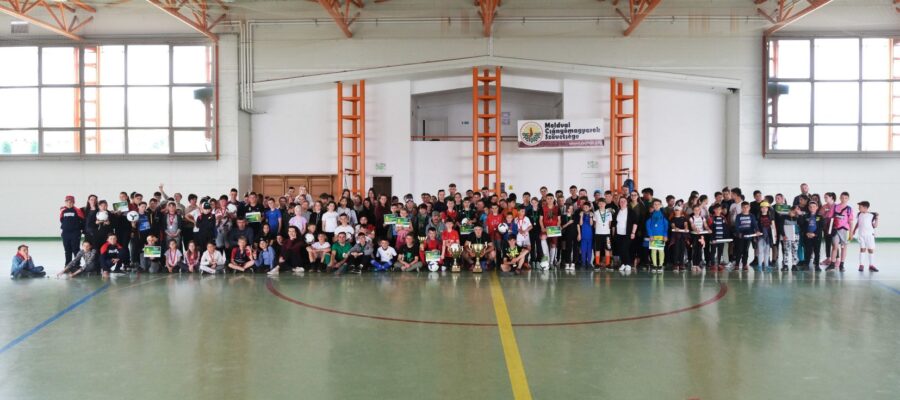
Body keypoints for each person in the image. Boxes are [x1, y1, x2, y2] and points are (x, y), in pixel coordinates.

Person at [825, 192, 853, 272]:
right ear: (840, 198)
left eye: (846, 198)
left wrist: (851, 232)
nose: (844, 199)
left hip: (844, 230)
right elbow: (829, 217)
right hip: (835, 229)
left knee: (843, 247)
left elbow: (850, 221)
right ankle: (832, 264)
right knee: (835, 246)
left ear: (848, 199)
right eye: (842, 197)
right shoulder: (835, 207)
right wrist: (829, 229)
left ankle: (842, 264)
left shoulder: (849, 209)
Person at [851, 201, 878, 272]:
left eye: (860, 207)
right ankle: (861, 265)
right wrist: (854, 230)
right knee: (862, 249)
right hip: (861, 235)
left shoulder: (872, 215)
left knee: (870, 250)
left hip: (869, 235)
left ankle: (871, 265)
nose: (859, 208)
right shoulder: (859, 214)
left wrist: (877, 218)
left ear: (865, 207)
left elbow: (875, 225)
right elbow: (858, 223)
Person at [60, 195, 85, 266]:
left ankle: (77, 264)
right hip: (65, 233)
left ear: (73, 202)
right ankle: (68, 264)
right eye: (67, 202)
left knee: (75, 249)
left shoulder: (77, 210)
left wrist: (78, 228)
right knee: (67, 250)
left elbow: (83, 220)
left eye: (70, 202)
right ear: (65, 202)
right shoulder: (63, 211)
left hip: (75, 233)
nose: (69, 203)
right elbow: (62, 220)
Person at [733, 202, 759, 271]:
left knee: (746, 250)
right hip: (740, 236)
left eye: (747, 207)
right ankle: (737, 264)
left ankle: (744, 264)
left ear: (749, 208)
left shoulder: (752, 216)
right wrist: (739, 233)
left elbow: (754, 224)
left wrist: (757, 231)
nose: (745, 209)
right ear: (741, 208)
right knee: (739, 250)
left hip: (748, 236)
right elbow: (737, 226)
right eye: (744, 207)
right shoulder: (738, 216)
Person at [645, 199, 669, 273]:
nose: (657, 205)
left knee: (661, 250)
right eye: (655, 204)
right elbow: (648, 225)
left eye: (658, 204)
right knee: (653, 250)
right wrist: (650, 235)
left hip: (661, 235)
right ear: (653, 205)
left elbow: (666, 225)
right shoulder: (650, 214)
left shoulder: (663, 214)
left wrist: (665, 235)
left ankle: (660, 265)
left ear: (661, 205)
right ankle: (655, 265)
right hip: (653, 236)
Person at [614, 196, 637, 272]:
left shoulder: (631, 211)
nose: (622, 202)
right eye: (621, 201)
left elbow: (635, 223)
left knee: (625, 248)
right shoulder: (617, 211)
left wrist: (633, 232)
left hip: (627, 234)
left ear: (627, 202)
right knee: (620, 249)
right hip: (618, 234)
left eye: (624, 201)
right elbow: (614, 223)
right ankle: (623, 263)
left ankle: (628, 264)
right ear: (619, 203)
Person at [800, 202, 824, 271]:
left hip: (817, 237)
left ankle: (817, 265)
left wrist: (815, 234)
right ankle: (806, 265)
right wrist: (807, 233)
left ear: (817, 207)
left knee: (817, 251)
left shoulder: (820, 217)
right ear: (808, 208)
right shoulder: (805, 216)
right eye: (810, 207)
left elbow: (821, 227)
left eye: (814, 206)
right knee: (807, 251)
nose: (812, 208)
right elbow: (803, 226)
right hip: (807, 236)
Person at [778, 206, 801, 272]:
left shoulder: (798, 217)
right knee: (786, 250)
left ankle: (794, 265)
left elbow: (801, 223)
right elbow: (780, 226)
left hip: (795, 236)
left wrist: (799, 215)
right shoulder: (783, 217)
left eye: (798, 209)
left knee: (795, 250)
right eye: (796, 209)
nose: (797, 211)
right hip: (786, 236)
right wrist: (783, 235)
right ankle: (785, 265)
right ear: (791, 210)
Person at [688, 204, 710, 272]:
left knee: (700, 250)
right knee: (695, 250)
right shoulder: (691, 218)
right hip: (694, 235)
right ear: (693, 211)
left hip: (701, 236)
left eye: (698, 210)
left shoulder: (703, 218)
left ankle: (697, 265)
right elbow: (692, 225)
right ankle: (694, 265)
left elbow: (705, 225)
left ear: (700, 210)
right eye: (695, 210)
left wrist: (708, 229)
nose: (697, 211)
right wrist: (695, 229)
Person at [592, 199, 613, 270]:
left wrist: (607, 229)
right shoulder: (596, 213)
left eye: (602, 203)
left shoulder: (609, 212)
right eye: (600, 203)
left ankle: (608, 264)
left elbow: (610, 223)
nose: (601, 205)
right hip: (598, 233)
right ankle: (597, 264)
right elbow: (594, 223)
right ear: (598, 204)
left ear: (605, 204)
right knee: (597, 249)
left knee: (607, 249)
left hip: (607, 234)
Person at [756, 202, 776, 270]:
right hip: (760, 236)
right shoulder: (758, 217)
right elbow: (756, 226)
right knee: (760, 251)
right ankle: (759, 265)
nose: (764, 209)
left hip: (768, 236)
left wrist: (774, 235)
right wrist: (757, 232)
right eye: (762, 208)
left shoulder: (771, 217)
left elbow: (773, 227)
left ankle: (766, 265)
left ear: (768, 209)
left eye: (765, 208)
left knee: (767, 251)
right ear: (760, 209)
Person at [669, 206, 689, 272]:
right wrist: (675, 228)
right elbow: (673, 225)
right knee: (676, 250)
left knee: (682, 249)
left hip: (683, 236)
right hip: (675, 236)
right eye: (676, 210)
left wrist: (686, 228)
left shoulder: (684, 218)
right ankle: (675, 264)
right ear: (674, 211)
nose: (677, 211)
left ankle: (681, 264)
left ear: (681, 211)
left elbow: (686, 225)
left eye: (678, 210)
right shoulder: (673, 218)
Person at [576, 201, 594, 270]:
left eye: (586, 207)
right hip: (583, 234)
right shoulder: (581, 214)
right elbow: (580, 224)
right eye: (584, 207)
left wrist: (591, 217)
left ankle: (589, 263)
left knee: (589, 250)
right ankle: (583, 263)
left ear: (590, 208)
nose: (585, 208)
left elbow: (591, 224)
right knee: (583, 250)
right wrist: (581, 216)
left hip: (590, 234)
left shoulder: (591, 214)